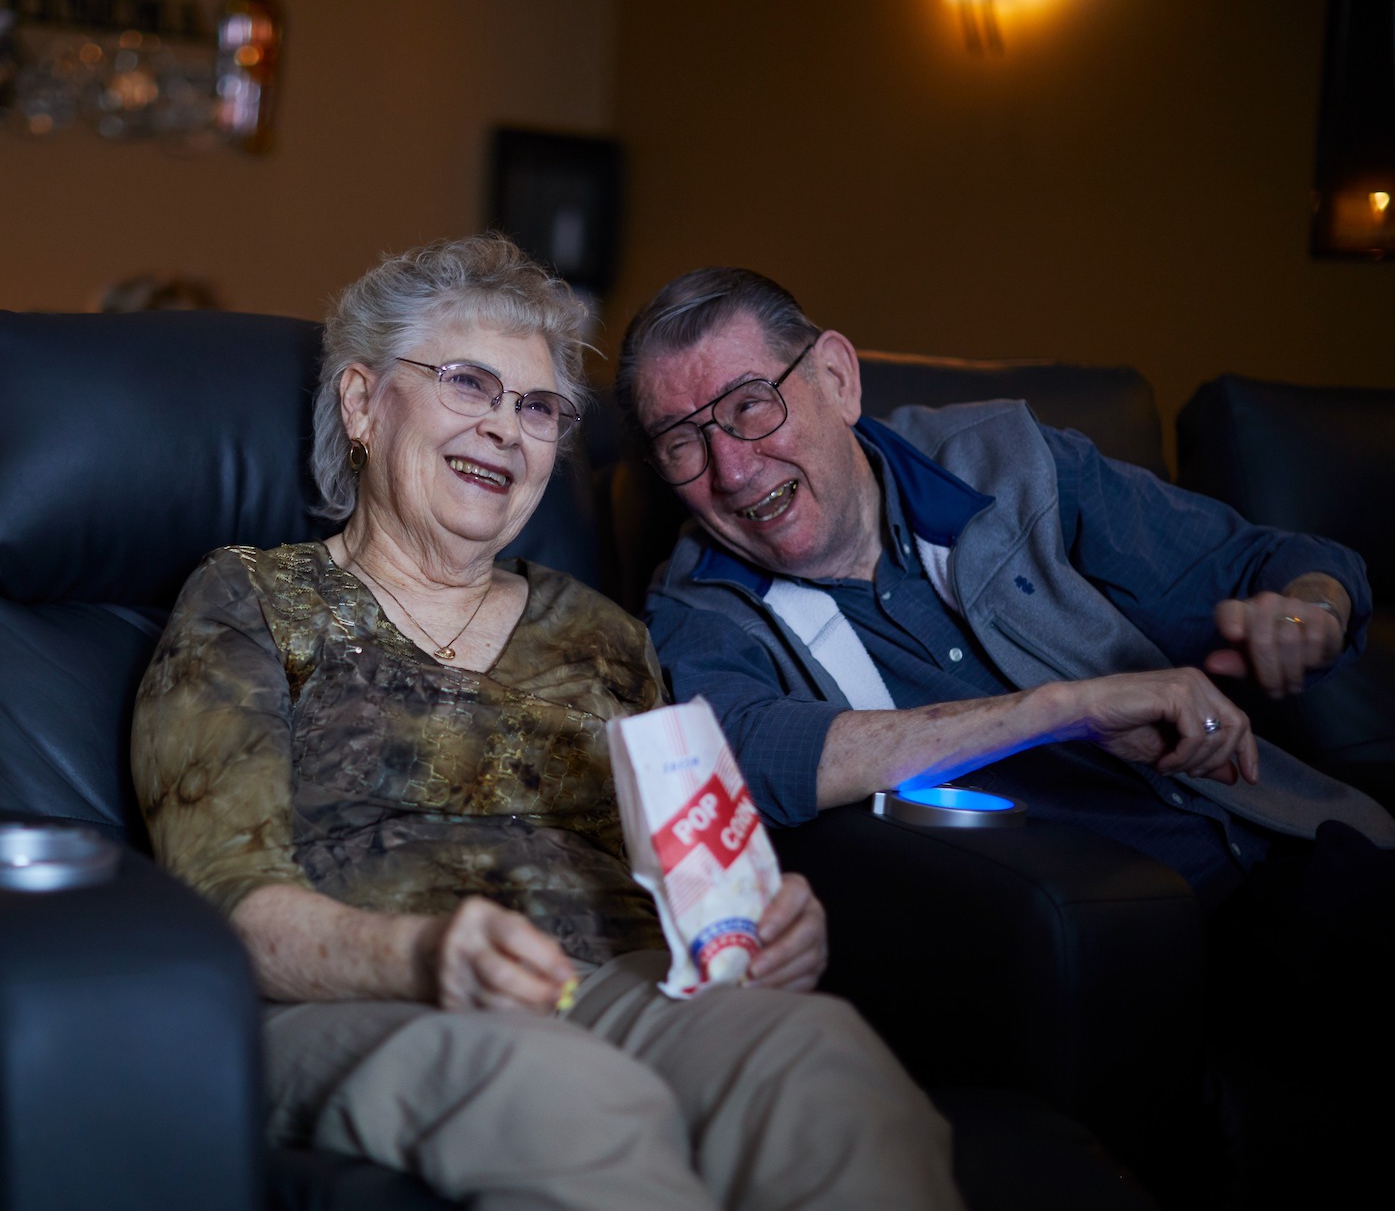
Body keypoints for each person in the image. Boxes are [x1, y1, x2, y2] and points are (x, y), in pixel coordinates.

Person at [131, 237, 963, 1211]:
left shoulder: (601, 633)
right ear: (361, 403)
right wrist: (426, 952)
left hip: (607, 979)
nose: (505, 429)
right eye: (468, 384)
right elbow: (226, 897)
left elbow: (695, 868)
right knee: (564, 1095)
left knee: (822, 1056)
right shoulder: (250, 599)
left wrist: (763, 922)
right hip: (360, 996)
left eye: (536, 407)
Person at [615, 266, 1395, 1206]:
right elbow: (747, 754)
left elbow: (1268, 561)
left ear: (835, 378)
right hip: (1112, 933)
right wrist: (1068, 706)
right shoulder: (699, 606)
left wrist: (1304, 612)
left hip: (1293, 843)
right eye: (679, 445)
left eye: (749, 407)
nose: (730, 472)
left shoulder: (1012, 460)